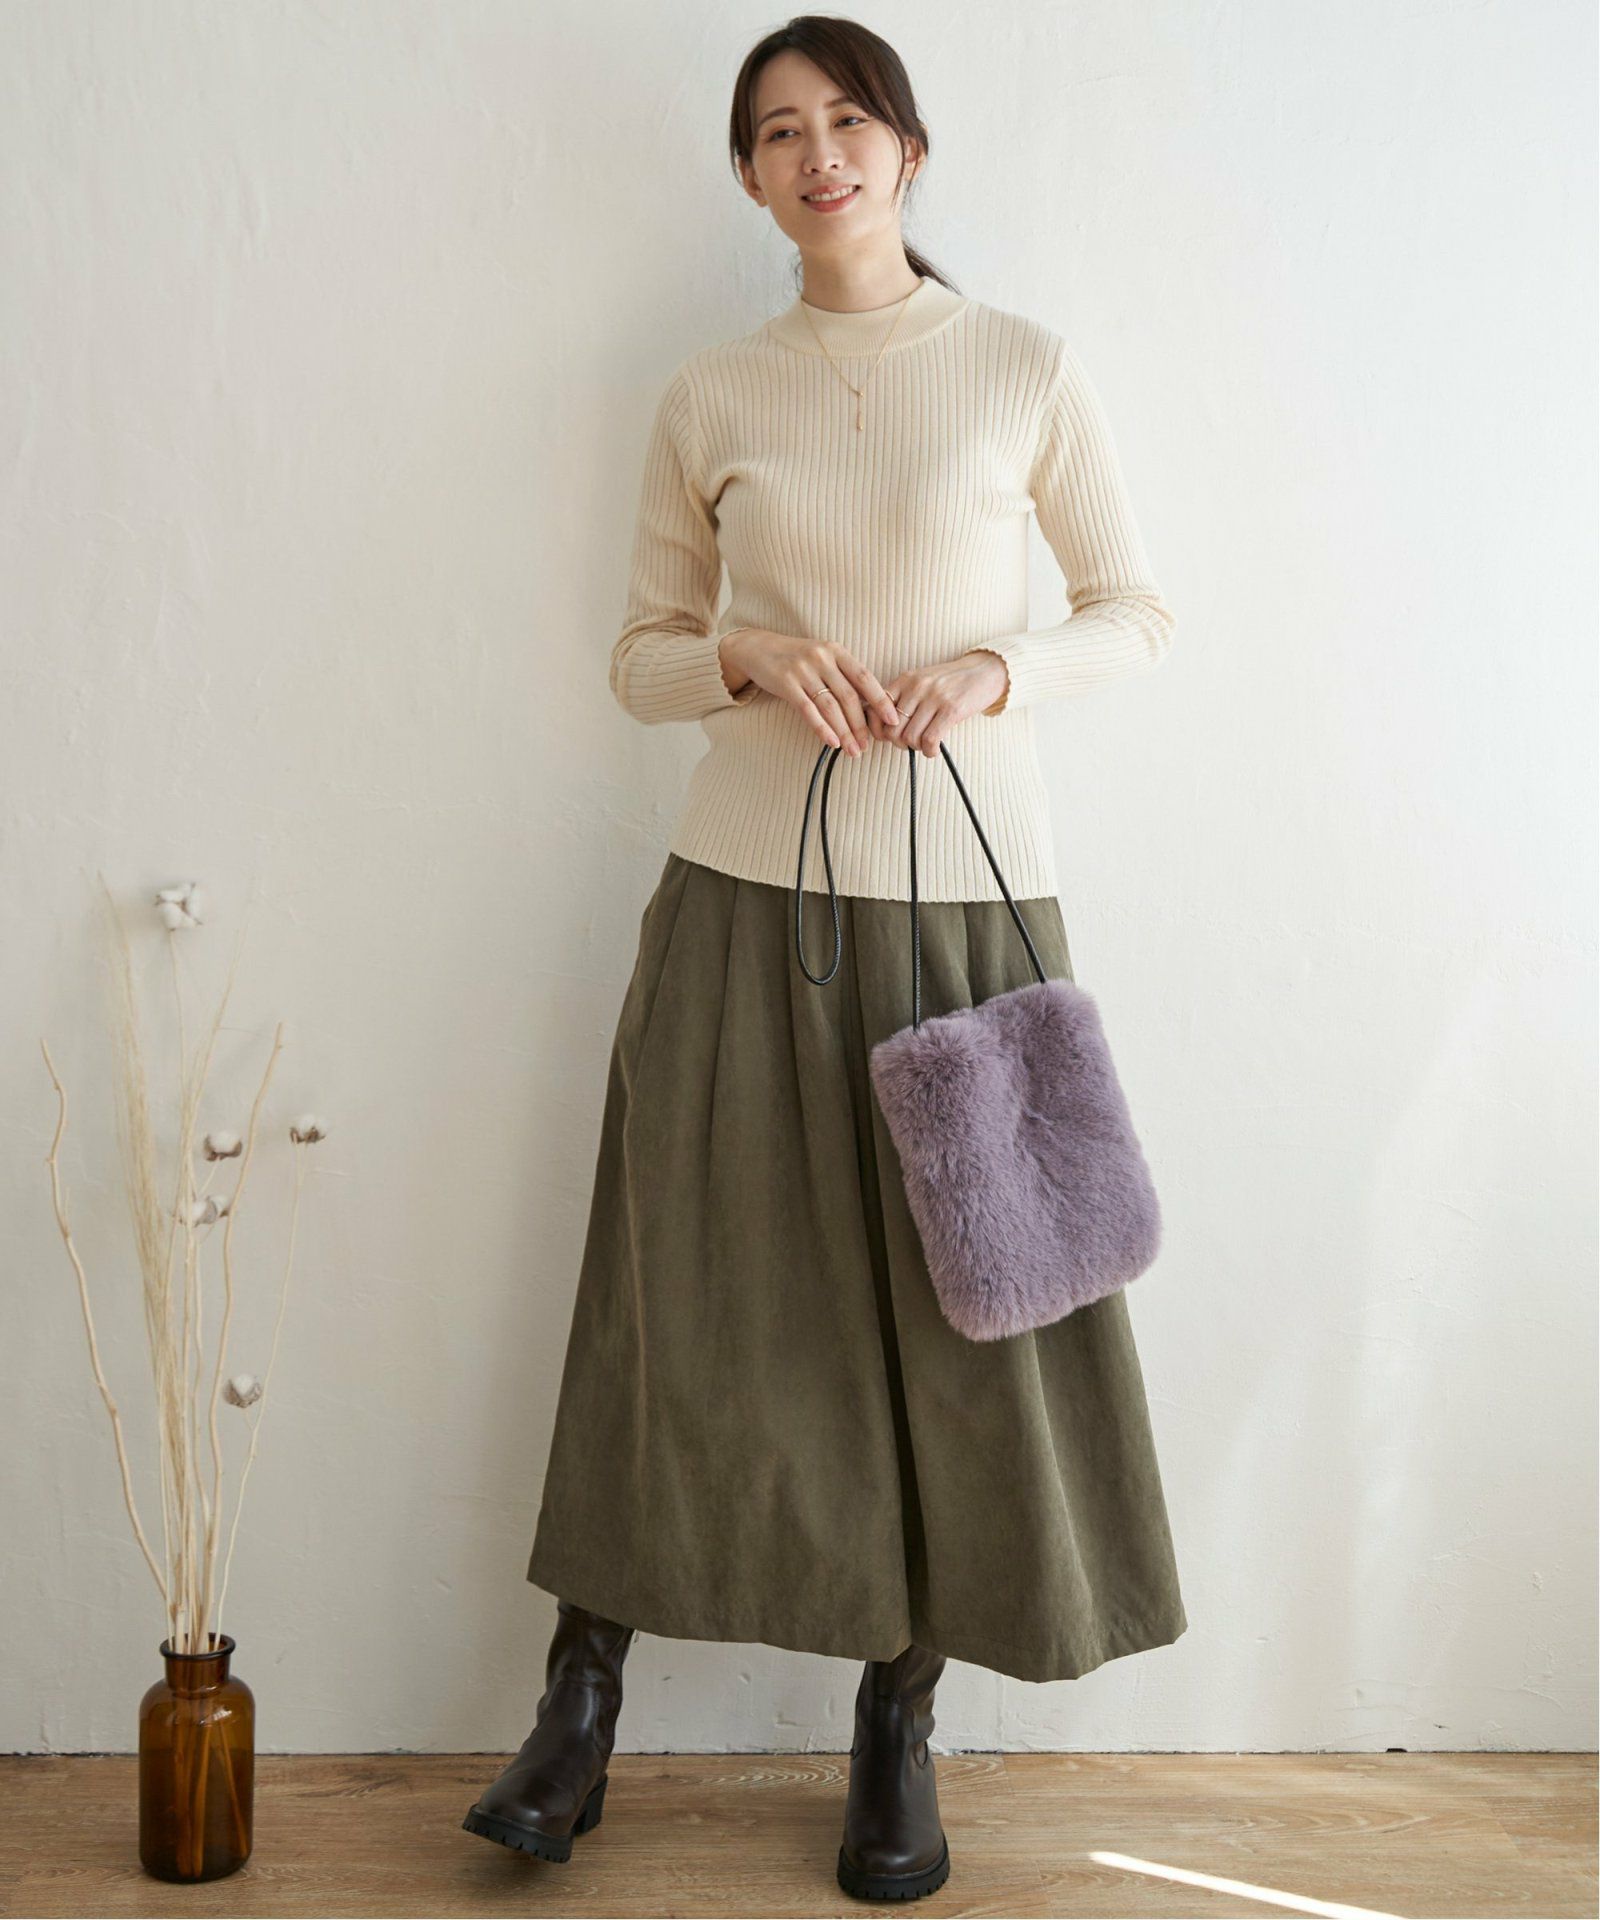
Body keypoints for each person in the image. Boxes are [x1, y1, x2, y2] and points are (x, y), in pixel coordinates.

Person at [463, 13, 1187, 1901]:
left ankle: (898, 1721)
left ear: (909, 150)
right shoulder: (713, 395)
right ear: (747, 176)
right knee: (676, 1294)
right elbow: (637, 659)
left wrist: (995, 669)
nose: (819, 156)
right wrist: (747, 656)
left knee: (959, 1308)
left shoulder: (1021, 366)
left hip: (965, 919)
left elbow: (1137, 609)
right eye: (778, 133)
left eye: (849, 120)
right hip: (739, 900)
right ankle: (579, 1705)